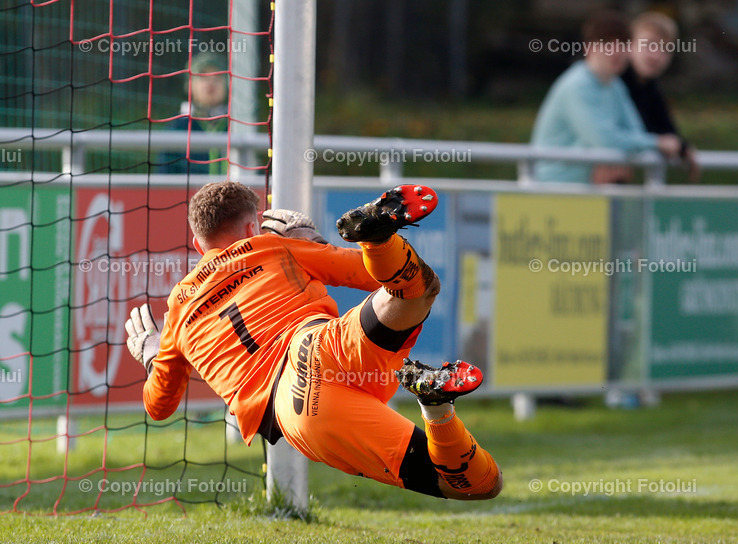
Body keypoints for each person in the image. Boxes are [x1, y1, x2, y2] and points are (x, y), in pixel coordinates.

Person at [125, 182, 502, 500]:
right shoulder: (269, 247)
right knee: (416, 289)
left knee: (476, 486)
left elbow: (159, 406)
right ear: (251, 227)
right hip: (320, 343)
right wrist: (315, 243)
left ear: (197, 243)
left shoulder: (177, 310)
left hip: (298, 407)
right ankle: (379, 240)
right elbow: (371, 279)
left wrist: (151, 353)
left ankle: (436, 409)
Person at [529, 10, 682, 183]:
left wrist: (619, 155)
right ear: (589, 48)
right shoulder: (578, 84)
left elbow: (634, 131)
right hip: (550, 190)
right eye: (608, 44)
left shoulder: (615, 85)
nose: (617, 52)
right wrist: (657, 143)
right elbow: (604, 139)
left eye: (623, 44)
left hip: (588, 191)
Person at [622, 11, 700, 182]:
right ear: (629, 45)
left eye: (665, 48)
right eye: (649, 44)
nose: (656, 55)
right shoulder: (613, 82)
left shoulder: (650, 87)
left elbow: (664, 128)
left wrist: (683, 148)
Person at [160, 52, 229, 175]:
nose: (211, 82)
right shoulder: (178, 127)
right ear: (189, 84)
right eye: (203, 76)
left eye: (217, 76)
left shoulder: (237, 125)